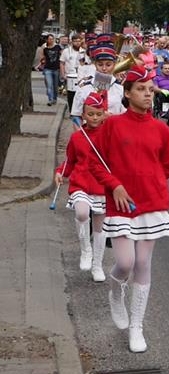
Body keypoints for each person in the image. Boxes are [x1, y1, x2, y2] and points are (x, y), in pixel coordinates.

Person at [93, 65, 169, 354]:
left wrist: (150, 181)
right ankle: (116, 290)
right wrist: (115, 185)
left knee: (143, 263)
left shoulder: (161, 129)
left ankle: (136, 326)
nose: (147, 94)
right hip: (120, 205)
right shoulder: (112, 125)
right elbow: (96, 163)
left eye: (150, 90)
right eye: (141, 89)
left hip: (151, 204)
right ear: (127, 93)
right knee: (125, 262)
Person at [55, 92, 109, 282]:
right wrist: (60, 172)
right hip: (81, 183)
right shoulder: (77, 137)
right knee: (82, 213)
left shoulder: (109, 136)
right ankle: (86, 249)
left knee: (100, 227)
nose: (94, 118)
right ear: (83, 115)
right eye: (91, 114)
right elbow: (70, 161)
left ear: (104, 114)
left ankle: (97, 265)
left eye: (98, 114)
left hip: (102, 186)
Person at [71, 44, 125, 120]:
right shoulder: (84, 88)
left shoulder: (120, 89)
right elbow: (76, 115)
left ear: (114, 65)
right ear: (95, 64)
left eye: (108, 65)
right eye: (100, 65)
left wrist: (111, 118)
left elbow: (126, 116)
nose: (104, 68)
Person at [60, 35, 87, 110]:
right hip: (70, 77)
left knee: (80, 94)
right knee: (71, 94)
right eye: (75, 41)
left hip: (81, 77)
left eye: (79, 41)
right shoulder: (66, 51)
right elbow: (62, 63)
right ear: (72, 42)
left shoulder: (84, 51)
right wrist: (63, 74)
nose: (77, 43)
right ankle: (71, 110)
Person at [41, 34, 62, 106]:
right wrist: (42, 61)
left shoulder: (58, 47)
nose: (51, 40)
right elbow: (42, 57)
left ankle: (54, 99)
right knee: (49, 85)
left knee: (55, 86)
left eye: (52, 39)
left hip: (56, 69)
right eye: (50, 39)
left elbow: (62, 56)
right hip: (48, 69)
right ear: (47, 40)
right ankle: (50, 100)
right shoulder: (45, 49)